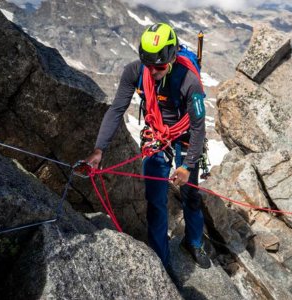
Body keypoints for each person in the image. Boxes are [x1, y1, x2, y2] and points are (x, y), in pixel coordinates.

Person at [84, 23, 210, 269]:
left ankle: (194, 242)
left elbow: (198, 127)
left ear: (172, 58)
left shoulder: (190, 82)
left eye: (159, 67)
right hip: (156, 133)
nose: (153, 72)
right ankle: (160, 260)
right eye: (149, 65)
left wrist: (187, 166)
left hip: (185, 134)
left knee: (191, 194)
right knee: (155, 199)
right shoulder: (135, 71)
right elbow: (117, 108)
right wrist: (99, 149)